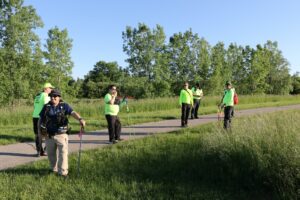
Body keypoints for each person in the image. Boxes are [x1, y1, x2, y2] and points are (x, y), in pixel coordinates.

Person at [38, 89, 86, 177]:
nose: (53, 98)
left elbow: (73, 112)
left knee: (63, 154)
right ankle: (54, 169)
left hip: (61, 134)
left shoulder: (64, 106)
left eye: (55, 96)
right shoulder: (46, 106)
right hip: (49, 135)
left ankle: (63, 172)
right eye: (51, 96)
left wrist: (80, 119)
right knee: (51, 155)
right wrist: (40, 132)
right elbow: (40, 120)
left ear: (59, 97)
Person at [32, 82, 54, 157]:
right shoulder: (45, 95)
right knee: (48, 133)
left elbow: (35, 106)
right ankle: (44, 150)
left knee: (37, 135)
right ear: (46, 89)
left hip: (35, 116)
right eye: (50, 88)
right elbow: (47, 106)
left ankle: (39, 151)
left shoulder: (37, 96)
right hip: (42, 117)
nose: (51, 89)